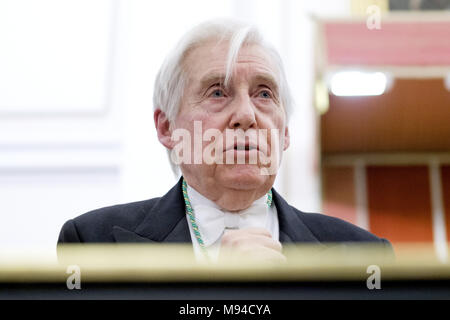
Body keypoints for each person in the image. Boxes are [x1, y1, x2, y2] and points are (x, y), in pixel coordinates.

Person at [57, 19, 392, 263]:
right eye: (217, 92)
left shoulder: (364, 255)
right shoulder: (93, 243)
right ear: (167, 127)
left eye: (264, 94)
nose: (246, 115)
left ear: (284, 132)